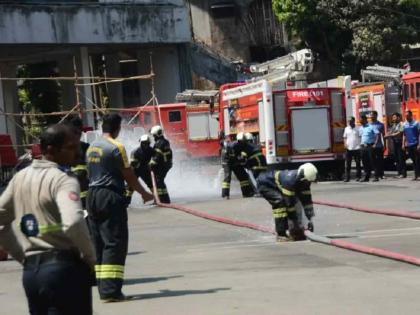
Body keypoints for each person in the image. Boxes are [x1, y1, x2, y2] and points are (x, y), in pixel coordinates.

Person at [0, 124, 96, 314]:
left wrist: (22, 256)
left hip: (32, 275)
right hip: (63, 270)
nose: (77, 152)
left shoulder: (20, 177)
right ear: (51, 149)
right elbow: (74, 222)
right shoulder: (62, 179)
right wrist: (90, 257)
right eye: (71, 147)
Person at [86, 114, 153, 302]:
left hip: (92, 196)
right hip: (109, 196)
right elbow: (128, 175)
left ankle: (103, 288)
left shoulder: (92, 147)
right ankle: (111, 291)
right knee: (114, 242)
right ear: (118, 128)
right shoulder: (117, 147)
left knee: (98, 242)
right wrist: (145, 193)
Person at [256, 163, 317, 241]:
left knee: (296, 202)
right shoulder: (289, 181)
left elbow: (307, 200)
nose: (308, 183)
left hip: (278, 185)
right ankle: (281, 234)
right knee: (280, 202)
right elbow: (289, 205)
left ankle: (295, 232)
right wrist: (295, 223)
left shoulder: (305, 181)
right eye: (307, 181)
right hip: (265, 185)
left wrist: (310, 219)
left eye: (309, 182)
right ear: (302, 177)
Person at [65, 116, 90, 209]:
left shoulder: (86, 147)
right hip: (68, 198)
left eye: (78, 132)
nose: (76, 135)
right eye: (73, 132)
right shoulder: (61, 150)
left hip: (86, 198)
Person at [221, 135, 254, 199]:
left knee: (243, 176)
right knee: (227, 177)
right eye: (245, 140)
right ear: (241, 140)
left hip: (234, 161)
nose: (246, 142)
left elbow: (241, 155)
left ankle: (247, 193)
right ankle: (225, 195)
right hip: (227, 162)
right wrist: (241, 160)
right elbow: (233, 155)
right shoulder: (233, 145)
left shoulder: (241, 145)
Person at [149, 125, 173, 204]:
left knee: (159, 181)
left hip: (162, 165)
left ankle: (163, 200)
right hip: (166, 164)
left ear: (156, 135)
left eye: (153, 135)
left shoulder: (159, 143)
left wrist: (151, 164)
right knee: (159, 181)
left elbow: (157, 156)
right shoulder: (165, 141)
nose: (153, 137)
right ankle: (164, 199)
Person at [359, 114, 380, 182]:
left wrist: (375, 144)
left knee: (373, 162)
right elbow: (360, 137)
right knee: (365, 163)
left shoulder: (371, 127)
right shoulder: (361, 128)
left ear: (365, 120)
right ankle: (366, 177)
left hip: (370, 146)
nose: (360, 121)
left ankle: (376, 176)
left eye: (361, 119)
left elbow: (377, 134)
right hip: (363, 147)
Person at [385, 112, 406, 178]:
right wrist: (387, 134)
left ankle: (403, 174)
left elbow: (400, 133)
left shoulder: (401, 124)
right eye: (393, 117)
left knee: (401, 159)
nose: (393, 119)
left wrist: (390, 135)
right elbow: (391, 131)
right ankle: (399, 173)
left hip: (400, 143)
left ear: (398, 117)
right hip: (395, 143)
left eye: (394, 117)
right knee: (396, 159)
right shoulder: (394, 125)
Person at [402, 110, 420, 180]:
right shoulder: (404, 124)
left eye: (407, 115)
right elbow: (404, 135)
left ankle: (418, 175)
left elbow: (419, 134)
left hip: (416, 144)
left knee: (417, 160)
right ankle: (416, 175)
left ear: (411, 115)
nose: (406, 117)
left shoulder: (416, 123)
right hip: (409, 145)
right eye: (405, 116)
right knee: (413, 160)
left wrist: (419, 144)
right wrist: (403, 144)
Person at [343, 117, 361, 182]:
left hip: (357, 148)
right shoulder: (346, 128)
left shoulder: (358, 128)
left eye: (350, 121)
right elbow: (344, 137)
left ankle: (358, 177)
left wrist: (360, 144)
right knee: (348, 164)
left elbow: (360, 137)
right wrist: (345, 144)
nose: (349, 122)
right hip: (349, 148)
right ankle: (347, 178)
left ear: (354, 121)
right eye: (348, 121)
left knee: (358, 164)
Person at [370, 111, 385, 180]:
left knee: (380, 160)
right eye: (370, 115)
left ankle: (381, 174)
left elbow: (383, 135)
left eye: (372, 115)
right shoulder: (369, 125)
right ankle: (376, 173)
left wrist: (385, 145)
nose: (371, 117)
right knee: (373, 161)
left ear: (376, 116)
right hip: (371, 146)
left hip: (379, 146)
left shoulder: (380, 125)